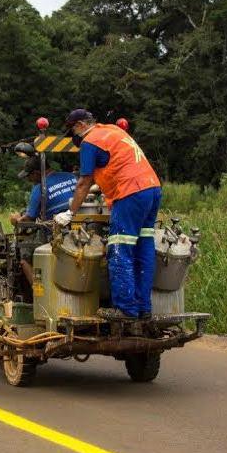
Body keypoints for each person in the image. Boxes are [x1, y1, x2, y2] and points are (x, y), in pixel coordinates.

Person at [54, 109, 161, 321]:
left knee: (119, 249)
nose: (73, 136)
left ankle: (125, 309)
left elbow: (84, 181)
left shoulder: (90, 141)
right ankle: (143, 308)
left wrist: (70, 212)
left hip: (130, 193)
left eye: (73, 130)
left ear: (82, 125)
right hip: (152, 189)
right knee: (144, 247)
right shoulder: (112, 130)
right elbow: (115, 164)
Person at [8, 142, 77, 226]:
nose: (28, 179)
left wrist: (16, 221)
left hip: (58, 227)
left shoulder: (40, 188)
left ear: (36, 173)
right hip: (81, 217)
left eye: (28, 176)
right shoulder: (71, 176)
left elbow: (29, 219)